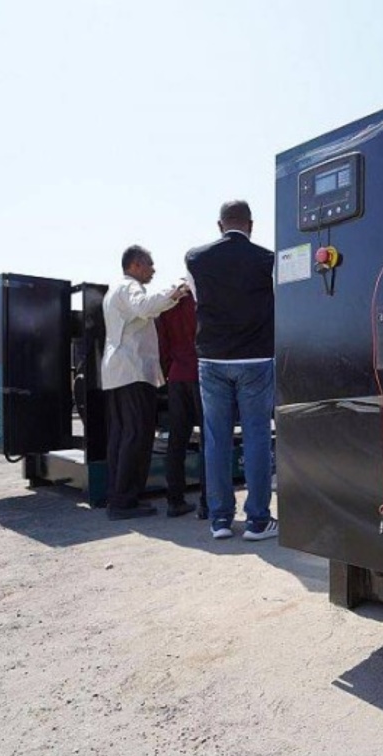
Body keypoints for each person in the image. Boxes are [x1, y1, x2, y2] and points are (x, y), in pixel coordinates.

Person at [185, 200, 276, 541]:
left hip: (212, 360)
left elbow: (197, 299)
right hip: (255, 359)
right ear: (250, 224)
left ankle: (220, 520)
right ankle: (257, 521)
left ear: (219, 225)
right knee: (256, 438)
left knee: (216, 439)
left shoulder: (195, 257)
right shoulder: (267, 260)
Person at [101, 245, 187, 520]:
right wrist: (176, 290)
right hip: (133, 372)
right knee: (136, 436)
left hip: (117, 373)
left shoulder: (114, 290)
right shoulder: (130, 288)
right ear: (136, 265)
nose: (153, 270)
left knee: (120, 436)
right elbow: (146, 307)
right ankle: (125, 502)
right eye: (150, 265)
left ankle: (117, 496)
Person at [156, 292, 208, 518]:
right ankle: (208, 502)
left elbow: (163, 346)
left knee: (177, 441)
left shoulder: (167, 307)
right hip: (201, 374)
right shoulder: (201, 304)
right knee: (210, 439)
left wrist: (169, 371)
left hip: (177, 376)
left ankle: (175, 500)